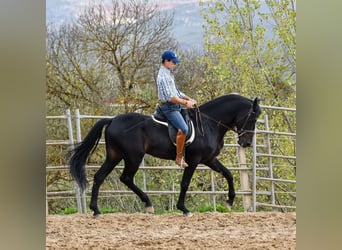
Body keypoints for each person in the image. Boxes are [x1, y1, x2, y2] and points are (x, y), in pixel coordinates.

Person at [156, 50, 197, 168]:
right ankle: (179, 158)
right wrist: (185, 103)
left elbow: (177, 92)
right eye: (173, 62)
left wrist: (189, 98)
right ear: (166, 61)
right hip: (169, 108)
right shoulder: (163, 76)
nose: (175, 64)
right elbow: (170, 97)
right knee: (184, 129)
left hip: (176, 106)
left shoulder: (169, 73)